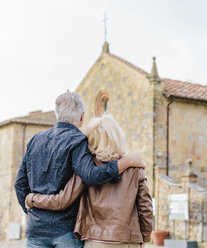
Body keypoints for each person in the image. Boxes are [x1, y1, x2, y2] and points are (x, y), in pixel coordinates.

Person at [15, 91, 145, 248]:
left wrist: (30, 212)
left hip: (36, 229)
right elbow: (91, 175)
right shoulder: (78, 140)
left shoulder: (36, 139)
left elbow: (20, 184)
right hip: (66, 230)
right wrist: (127, 161)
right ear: (82, 117)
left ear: (57, 114)